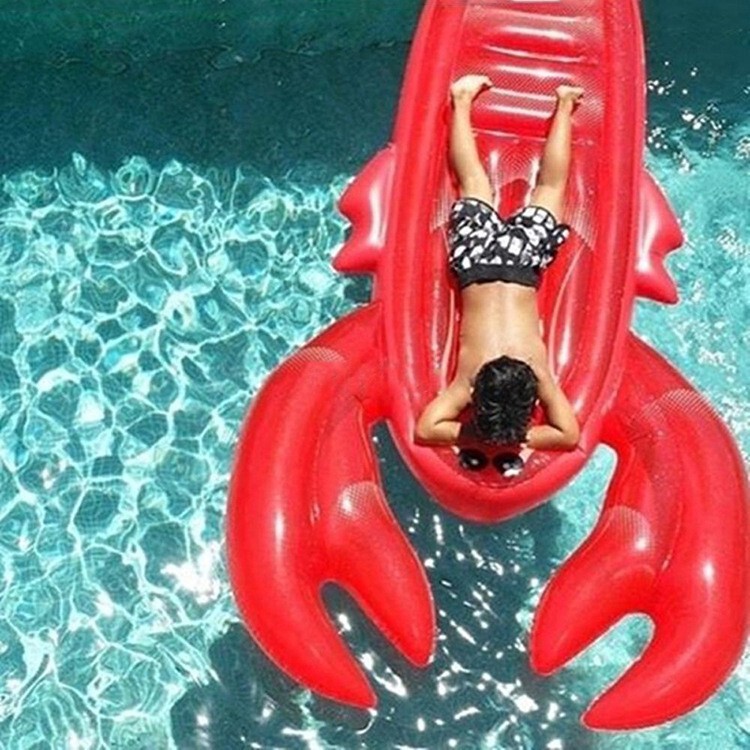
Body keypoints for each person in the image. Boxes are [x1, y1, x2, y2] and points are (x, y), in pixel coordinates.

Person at [415, 74, 582, 462]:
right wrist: (509, 437)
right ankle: (461, 99)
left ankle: (564, 103)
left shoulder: (533, 373)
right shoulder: (471, 379)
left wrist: (488, 435)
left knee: (549, 189)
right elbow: (426, 429)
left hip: (520, 261)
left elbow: (567, 434)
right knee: (473, 182)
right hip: (476, 262)